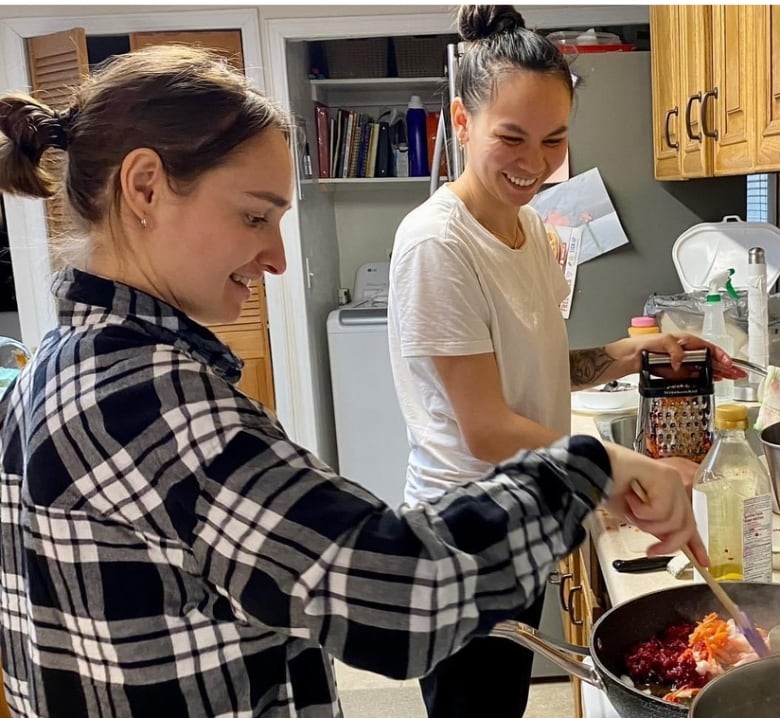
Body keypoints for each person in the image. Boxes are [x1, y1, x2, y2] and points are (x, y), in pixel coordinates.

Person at [0, 45, 705, 718]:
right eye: (254, 215)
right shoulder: (144, 399)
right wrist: (591, 467)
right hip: (462, 515)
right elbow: (401, 596)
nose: (277, 259)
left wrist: (617, 372)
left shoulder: (53, 372)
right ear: (145, 186)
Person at [387, 6, 744, 718]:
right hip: (465, 539)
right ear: (462, 122)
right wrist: (616, 466)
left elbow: (548, 367)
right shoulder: (438, 246)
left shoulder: (528, 228)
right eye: (510, 138)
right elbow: (486, 427)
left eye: (553, 140)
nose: (534, 163)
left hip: (525, 515)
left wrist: (639, 351)